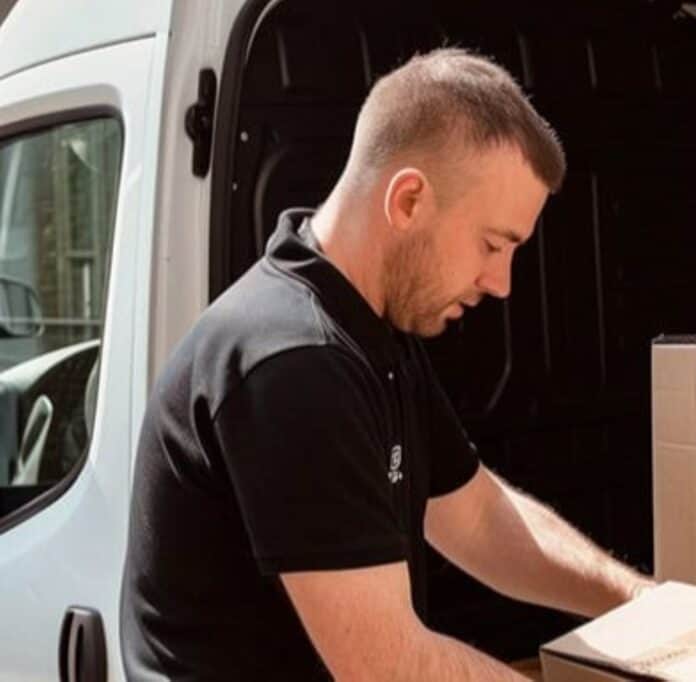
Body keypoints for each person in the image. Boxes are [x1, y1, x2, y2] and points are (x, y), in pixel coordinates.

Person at [121, 47, 654, 681]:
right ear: (407, 202)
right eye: (492, 244)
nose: (502, 282)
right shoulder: (292, 362)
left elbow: (479, 516)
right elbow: (388, 668)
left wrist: (648, 607)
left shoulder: (370, 328)